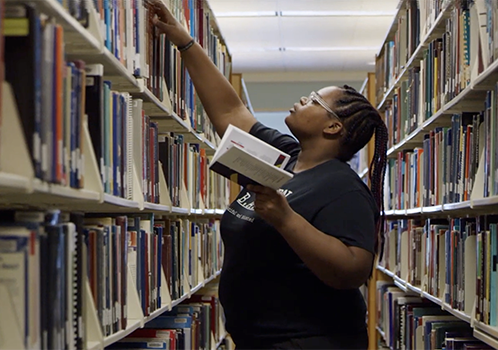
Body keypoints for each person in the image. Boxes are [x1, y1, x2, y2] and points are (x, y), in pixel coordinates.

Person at [150, 2, 388, 349]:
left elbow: (353, 270)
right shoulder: (285, 158)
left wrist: (286, 219)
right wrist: (185, 42)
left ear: (334, 127)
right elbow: (231, 112)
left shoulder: (344, 188)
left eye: (312, 101)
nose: (300, 101)